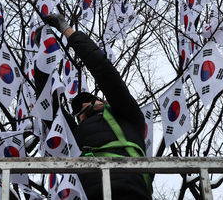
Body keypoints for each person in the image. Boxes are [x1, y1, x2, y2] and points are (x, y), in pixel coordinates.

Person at [40, 13, 152, 200]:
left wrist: (66, 30)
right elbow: (48, 110)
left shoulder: (128, 116)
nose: (83, 104)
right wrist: (41, 61)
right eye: (78, 108)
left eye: (90, 100)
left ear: (105, 101)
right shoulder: (76, 135)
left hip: (130, 192)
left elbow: (104, 70)